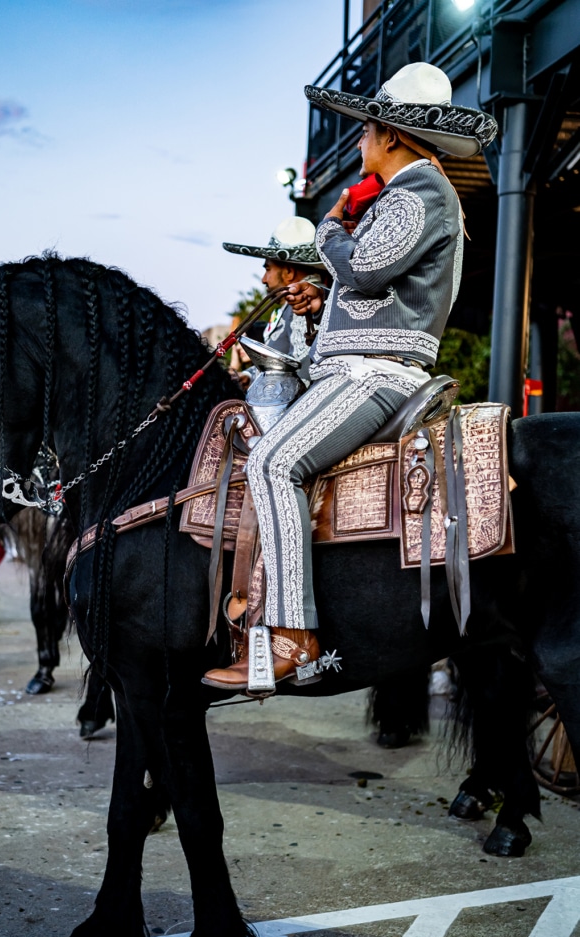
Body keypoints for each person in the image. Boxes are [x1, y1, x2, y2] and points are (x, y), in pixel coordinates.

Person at [203, 61, 498, 690]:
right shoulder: (407, 196)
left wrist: (334, 228)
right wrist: (320, 298)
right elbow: (368, 288)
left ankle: (292, 635)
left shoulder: (418, 190)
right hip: (356, 368)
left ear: (389, 134)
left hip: (378, 376)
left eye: (365, 129)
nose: (360, 141)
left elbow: (364, 269)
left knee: (272, 464)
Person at [223, 216, 330, 384]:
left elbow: (301, 369)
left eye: (268, 269)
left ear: (288, 272)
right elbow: (280, 362)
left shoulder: (302, 303)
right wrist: (249, 376)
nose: (264, 279)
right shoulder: (290, 305)